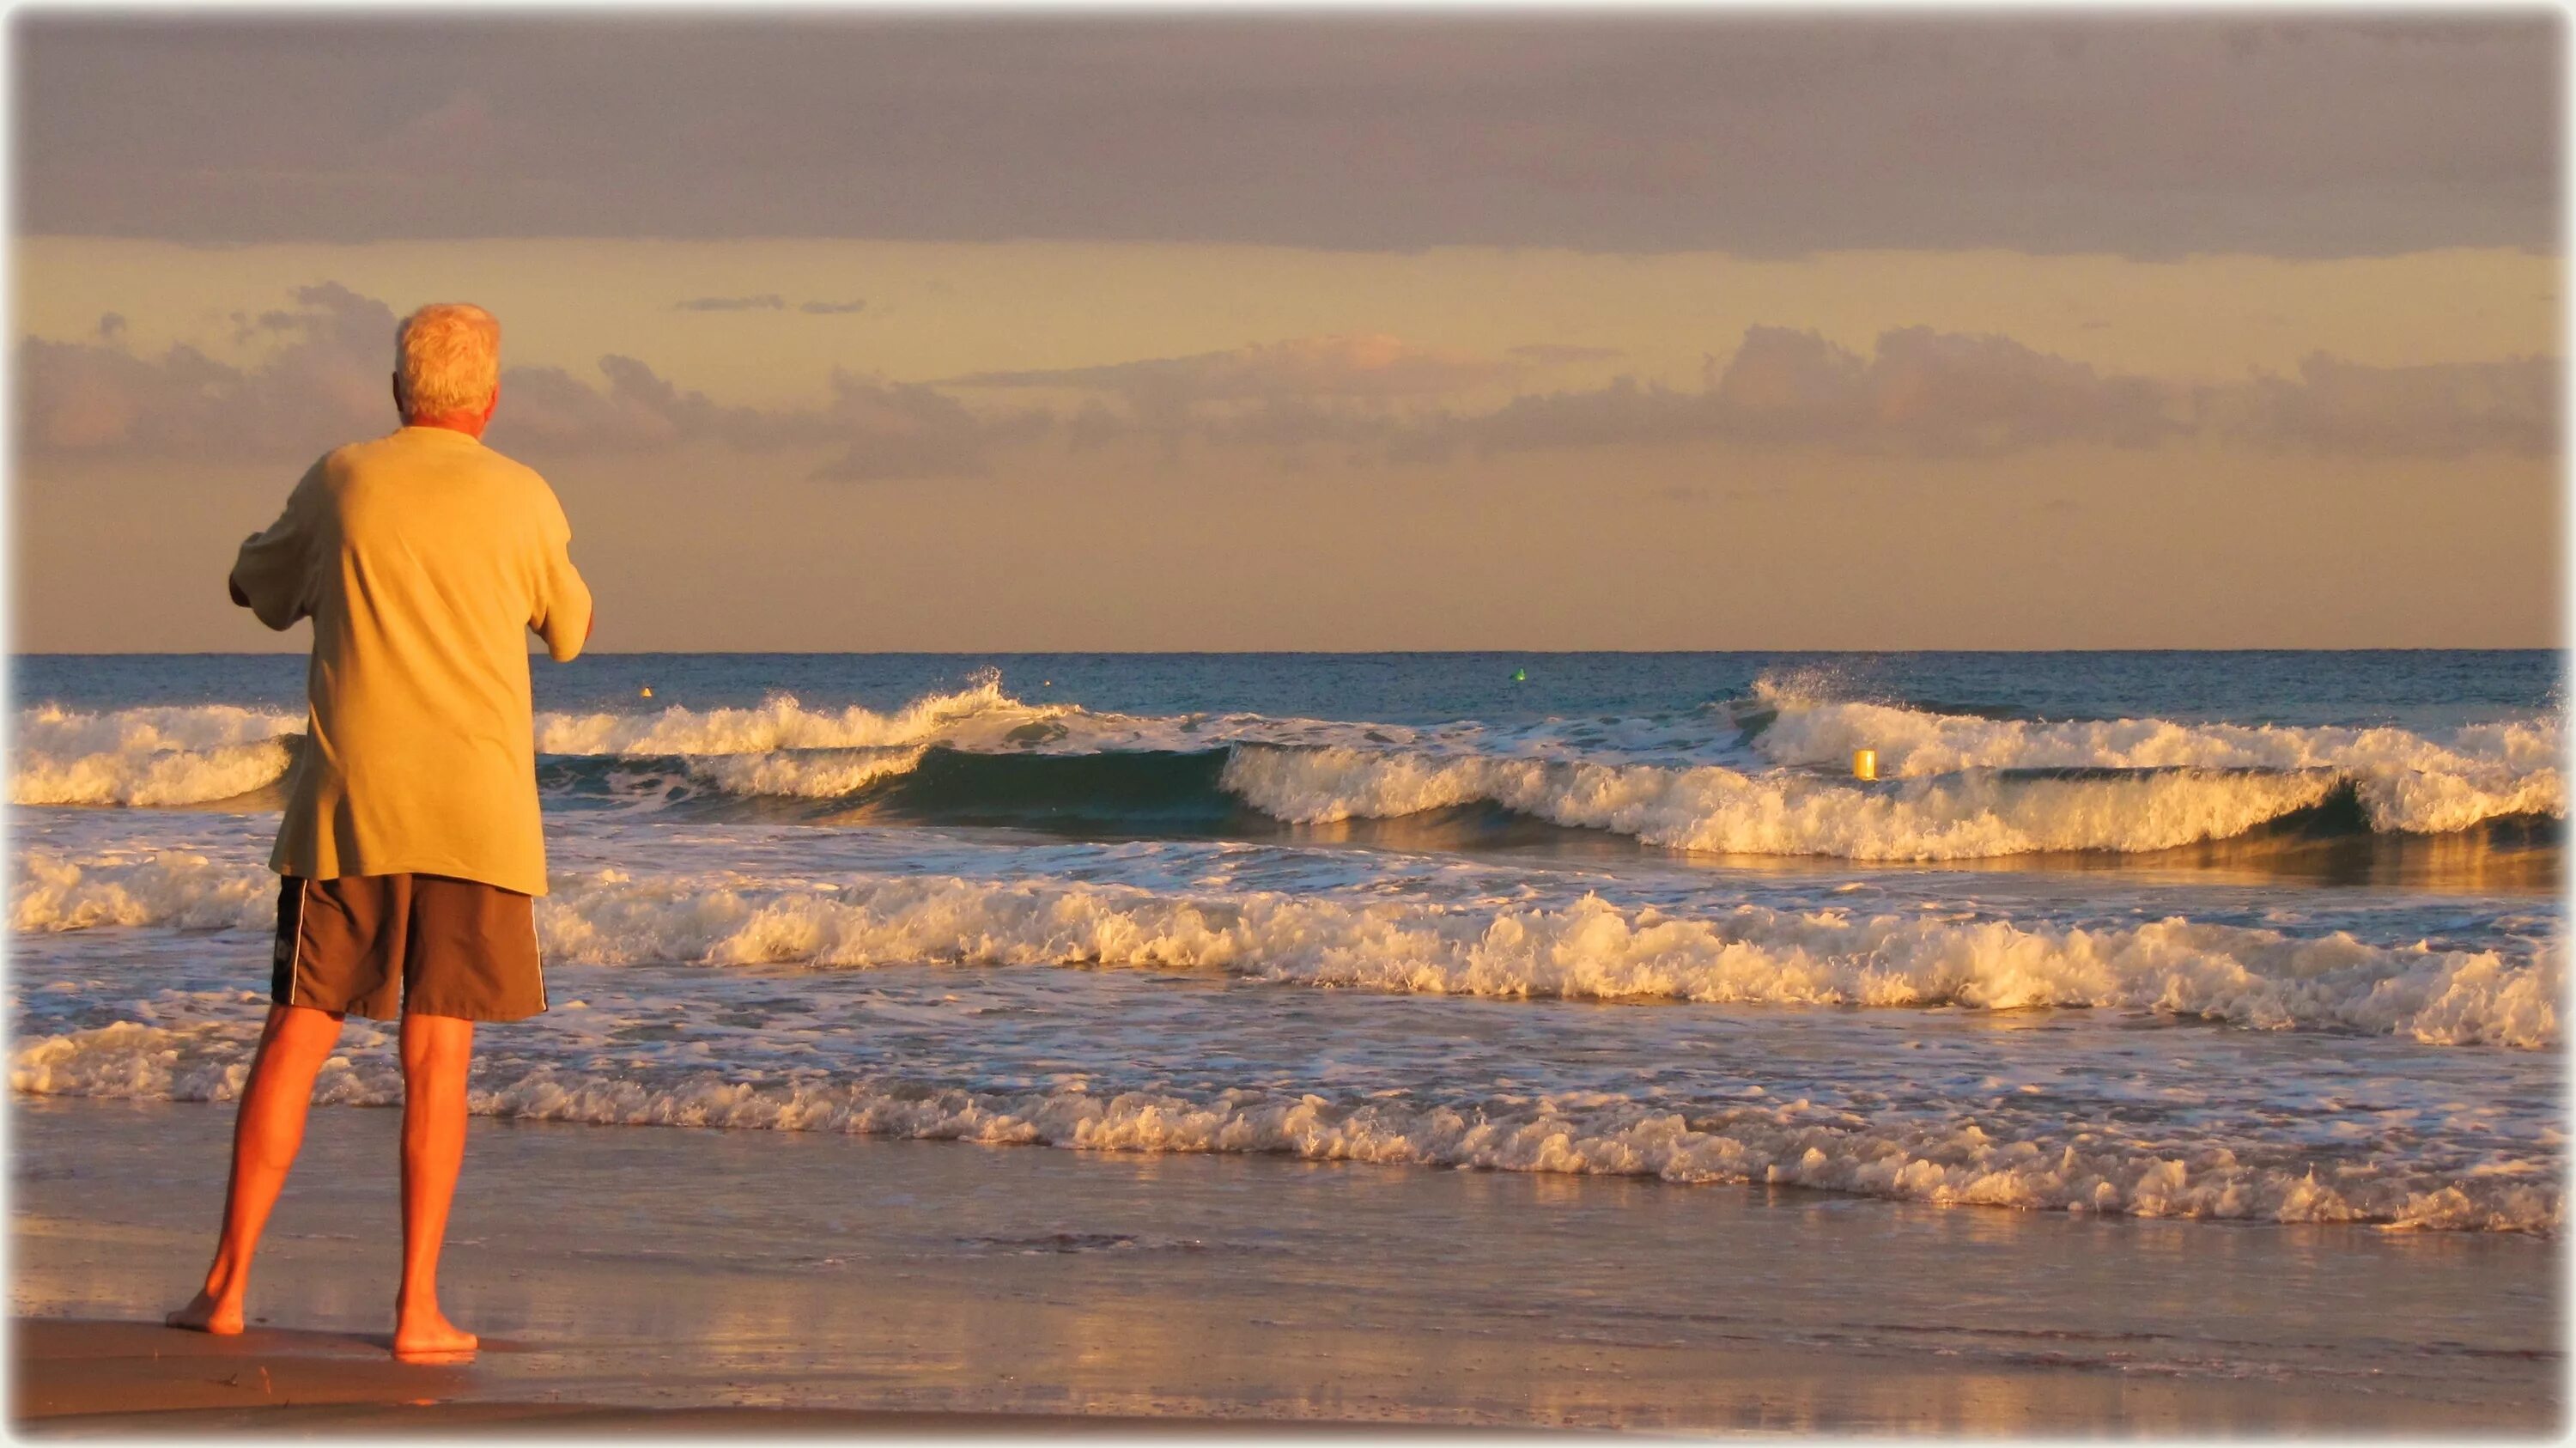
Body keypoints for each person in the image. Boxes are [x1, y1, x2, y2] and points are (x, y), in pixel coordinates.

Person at [165, 302, 593, 1359]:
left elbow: (254, 587)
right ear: (489, 398)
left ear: (400, 391)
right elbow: (573, 632)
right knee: (437, 1057)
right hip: (478, 814)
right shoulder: (525, 494)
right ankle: (416, 1311)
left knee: (298, 1034)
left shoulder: (344, 477)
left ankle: (225, 1289)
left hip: (351, 806)